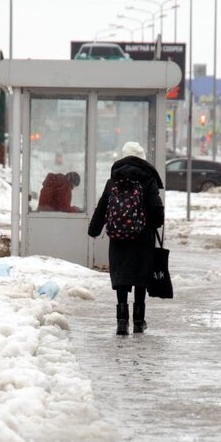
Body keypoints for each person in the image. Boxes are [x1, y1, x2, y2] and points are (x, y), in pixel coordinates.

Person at [88, 141, 165, 336]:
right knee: (140, 277)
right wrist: (155, 222)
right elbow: (157, 213)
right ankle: (139, 322)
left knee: (121, 277)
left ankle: (122, 321)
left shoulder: (114, 180)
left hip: (118, 238)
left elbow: (102, 207)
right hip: (142, 238)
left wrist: (94, 230)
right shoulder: (148, 180)